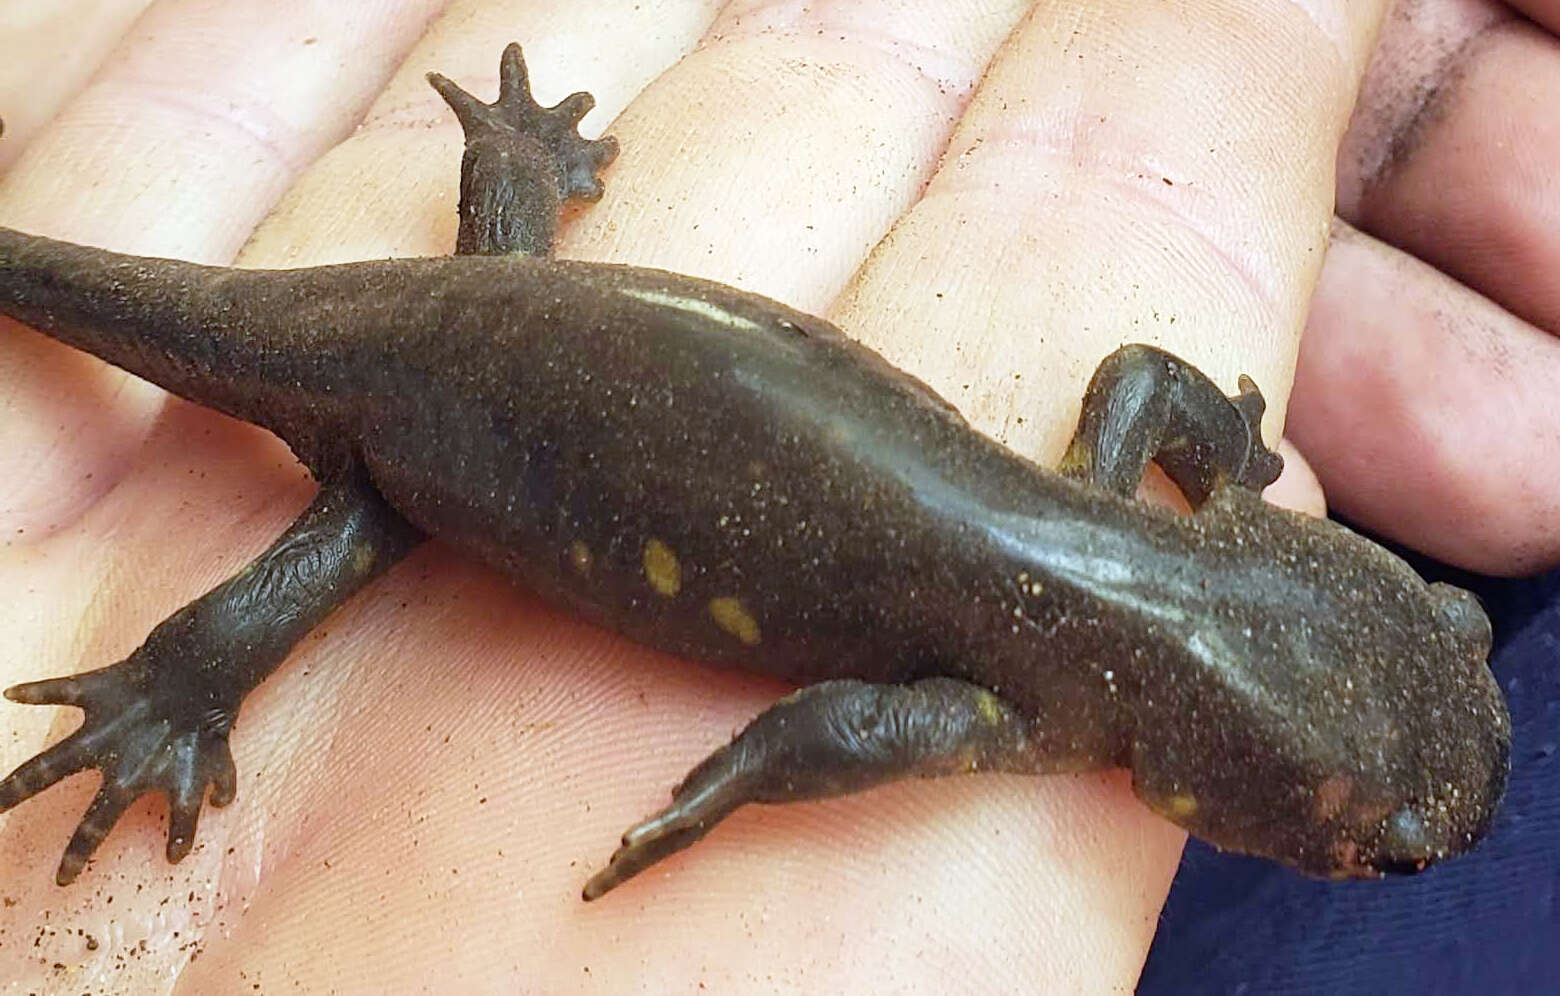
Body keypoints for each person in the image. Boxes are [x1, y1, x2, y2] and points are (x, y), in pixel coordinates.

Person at [0, 1, 1554, 990]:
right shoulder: (1016, 710)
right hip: (410, 420)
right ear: (1221, 775)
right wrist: (716, 802)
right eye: (1383, 849)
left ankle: (515, 192)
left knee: (432, 437)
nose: (1389, 862)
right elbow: (828, 729)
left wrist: (1220, 442)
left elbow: (1146, 378)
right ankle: (173, 679)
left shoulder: (1096, 548)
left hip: (492, 333)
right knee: (379, 502)